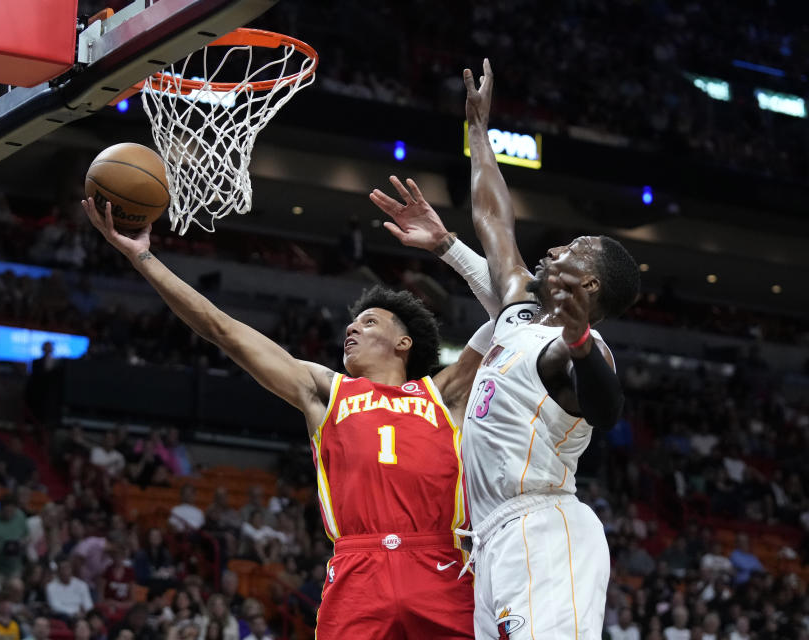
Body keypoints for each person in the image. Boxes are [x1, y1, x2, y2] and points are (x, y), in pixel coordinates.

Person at [82, 195, 491, 639]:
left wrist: (446, 244)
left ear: (404, 343)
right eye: (353, 324)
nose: (352, 328)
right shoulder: (326, 390)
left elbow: (512, 308)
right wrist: (142, 256)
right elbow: (223, 329)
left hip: (440, 564)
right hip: (358, 569)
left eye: (369, 322)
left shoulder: (444, 393)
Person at [370, 60, 639, 639]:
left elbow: (607, 409)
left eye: (578, 247)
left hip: (543, 529)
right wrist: (477, 132)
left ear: (589, 286)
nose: (560, 246)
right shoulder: (518, 314)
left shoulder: (574, 352)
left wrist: (581, 343)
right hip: (490, 540)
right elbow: (494, 221)